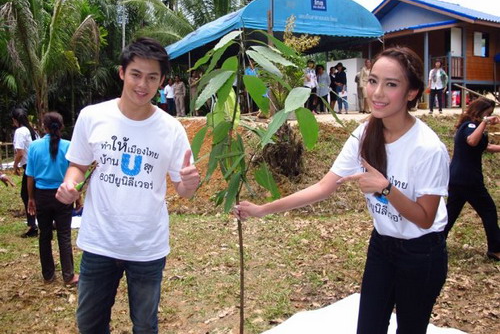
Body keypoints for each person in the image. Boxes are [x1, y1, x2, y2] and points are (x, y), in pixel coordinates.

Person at [235, 46, 449, 334]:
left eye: (392, 85)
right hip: (383, 246)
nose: (377, 93)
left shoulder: (428, 148)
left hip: (422, 253)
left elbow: (425, 218)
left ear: (412, 93)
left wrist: (386, 189)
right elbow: (324, 187)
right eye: (373, 81)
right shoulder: (364, 134)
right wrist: (262, 210)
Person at [55, 37, 200, 333]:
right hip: (99, 241)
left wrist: (190, 183)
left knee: (145, 325)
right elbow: (78, 165)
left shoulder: (171, 129)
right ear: (122, 73)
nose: (142, 85)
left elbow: (184, 190)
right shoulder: (93, 117)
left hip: (147, 246)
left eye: (152, 78)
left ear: (162, 82)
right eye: (135, 74)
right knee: (89, 323)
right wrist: (70, 184)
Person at [444, 98, 500, 261]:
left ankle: (436, 241)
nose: (489, 117)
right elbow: (472, 140)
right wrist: (484, 123)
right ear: (480, 112)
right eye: (487, 113)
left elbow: (484, 146)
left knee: (451, 213)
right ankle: (495, 249)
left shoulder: (470, 126)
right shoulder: (470, 126)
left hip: (457, 178)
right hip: (469, 178)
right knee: (488, 210)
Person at [26, 112, 78, 284]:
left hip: (42, 195)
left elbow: (30, 176)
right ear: (61, 127)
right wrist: (77, 196)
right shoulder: (69, 146)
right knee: (64, 235)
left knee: (44, 235)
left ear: (44, 127)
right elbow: (75, 174)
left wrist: (31, 198)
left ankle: (48, 275)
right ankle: (68, 275)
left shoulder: (34, 147)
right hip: (63, 194)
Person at [12, 108, 39, 237]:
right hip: (39, 165)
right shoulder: (32, 130)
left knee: (27, 195)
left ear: (15, 120)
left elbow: (20, 152)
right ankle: (46, 221)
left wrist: (15, 165)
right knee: (37, 193)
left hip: (30, 167)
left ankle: (32, 226)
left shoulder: (20, 131)